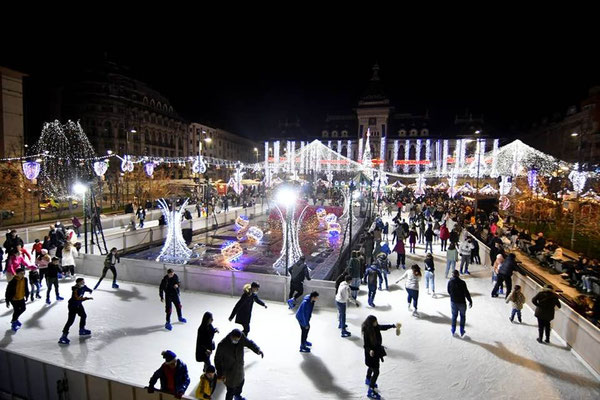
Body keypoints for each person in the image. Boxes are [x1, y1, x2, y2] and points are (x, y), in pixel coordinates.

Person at [215, 329, 264, 400]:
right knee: (230, 390)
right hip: (229, 372)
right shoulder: (222, 345)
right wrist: (220, 373)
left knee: (241, 383)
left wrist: (257, 350)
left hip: (239, 368)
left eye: (238, 339)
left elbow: (249, 343)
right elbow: (217, 360)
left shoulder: (242, 337)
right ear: (231, 336)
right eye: (235, 339)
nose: (236, 341)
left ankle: (237, 396)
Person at [362, 315, 398, 399]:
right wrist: (370, 350)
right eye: (375, 322)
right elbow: (366, 345)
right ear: (371, 323)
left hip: (376, 352)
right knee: (376, 371)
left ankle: (368, 379)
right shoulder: (367, 332)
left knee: (371, 367)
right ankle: (370, 390)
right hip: (371, 355)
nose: (376, 323)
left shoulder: (376, 327)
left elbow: (383, 327)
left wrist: (392, 325)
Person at [58, 277, 93, 344]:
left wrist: (90, 290)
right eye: (82, 282)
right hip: (73, 306)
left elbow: (87, 288)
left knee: (84, 315)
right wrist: (86, 298)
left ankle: (82, 330)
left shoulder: (84, 287)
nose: (83, 283)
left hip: (79, 305)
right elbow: (77, 298)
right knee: (70, 321)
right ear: (78, 283)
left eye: (83, 282)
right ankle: (63, 336)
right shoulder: (75, 289)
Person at [447, 270, 473, 337]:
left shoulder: (450, 282)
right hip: (462, 302)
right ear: (458, 275)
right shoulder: (462, 283)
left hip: (453, 302)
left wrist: (452, 296)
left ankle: (453, 329)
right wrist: (470, 300)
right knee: (462, 316)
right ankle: (462, 329)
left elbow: (448, 291)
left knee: (454, 316)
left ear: (452, 275)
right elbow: (466, 293)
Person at [5, 268, 29, 332]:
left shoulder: (25, 279)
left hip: (21, 297)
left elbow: (26, 287)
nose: (23, 274)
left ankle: (15, 320)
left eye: (24, 273)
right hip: (14, 299)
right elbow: (8, 291)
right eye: (21, 273)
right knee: (16, 310)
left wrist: (27, 295)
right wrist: (7, 301)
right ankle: (13, 323)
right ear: (17, 274)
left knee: (23, 308)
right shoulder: (13, 281)